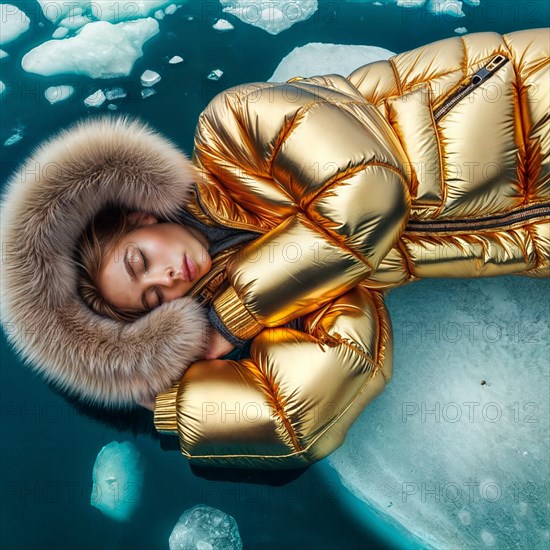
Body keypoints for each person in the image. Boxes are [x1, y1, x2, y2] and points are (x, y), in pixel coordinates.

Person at [1, 28, 548, 470]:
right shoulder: (297, 295)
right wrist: (173, 400)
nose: (168, 278)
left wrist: (231, 319)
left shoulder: (233, 131)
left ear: (139, 217)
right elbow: (313, 404)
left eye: (140, 260)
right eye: (151, 301)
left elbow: (369, 193)